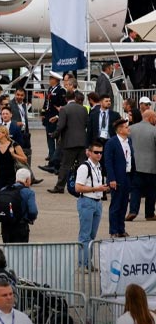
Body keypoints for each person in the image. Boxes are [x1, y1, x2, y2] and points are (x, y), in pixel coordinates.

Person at [76, 140, 109, 269]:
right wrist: (96, 188)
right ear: (89, 153)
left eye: (101, 152)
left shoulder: (99, 166)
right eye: (96, 152)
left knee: (92, 235)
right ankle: (82, 264)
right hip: (86, 202)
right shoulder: (84, 167)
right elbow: (78, 188)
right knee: (85, 235)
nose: (99, 155)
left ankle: (88, 263)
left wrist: (102, 189)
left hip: (97, 202)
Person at [52, 91, 89, 193]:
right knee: (83, 165)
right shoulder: (83, 109)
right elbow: (87, 124)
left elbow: (61, 126)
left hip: (69, 142)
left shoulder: (64, 109)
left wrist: (54, 134)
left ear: (65, 98)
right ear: (75, 98)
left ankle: (59, 187)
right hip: (82, 141)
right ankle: (84, 185)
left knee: (65, 165)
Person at [104, 119, 135, 238]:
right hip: (117, 177)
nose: (128, 129)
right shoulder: (112, 142)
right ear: (120, 130)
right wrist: (111, 178)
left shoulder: (129, 141)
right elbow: (108, 162)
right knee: (116, 204)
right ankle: (113, 230)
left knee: (124, 204)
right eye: (126, 127)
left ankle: (121, 229)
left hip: (127, 176)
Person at [0, 169, 38, 244]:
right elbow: (33, 212)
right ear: (27, 180)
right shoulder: (29, 192)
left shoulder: (3, 190)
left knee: (8, 250)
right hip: (20, 228)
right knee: (21, 251)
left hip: (5, 227)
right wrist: (29, 219)